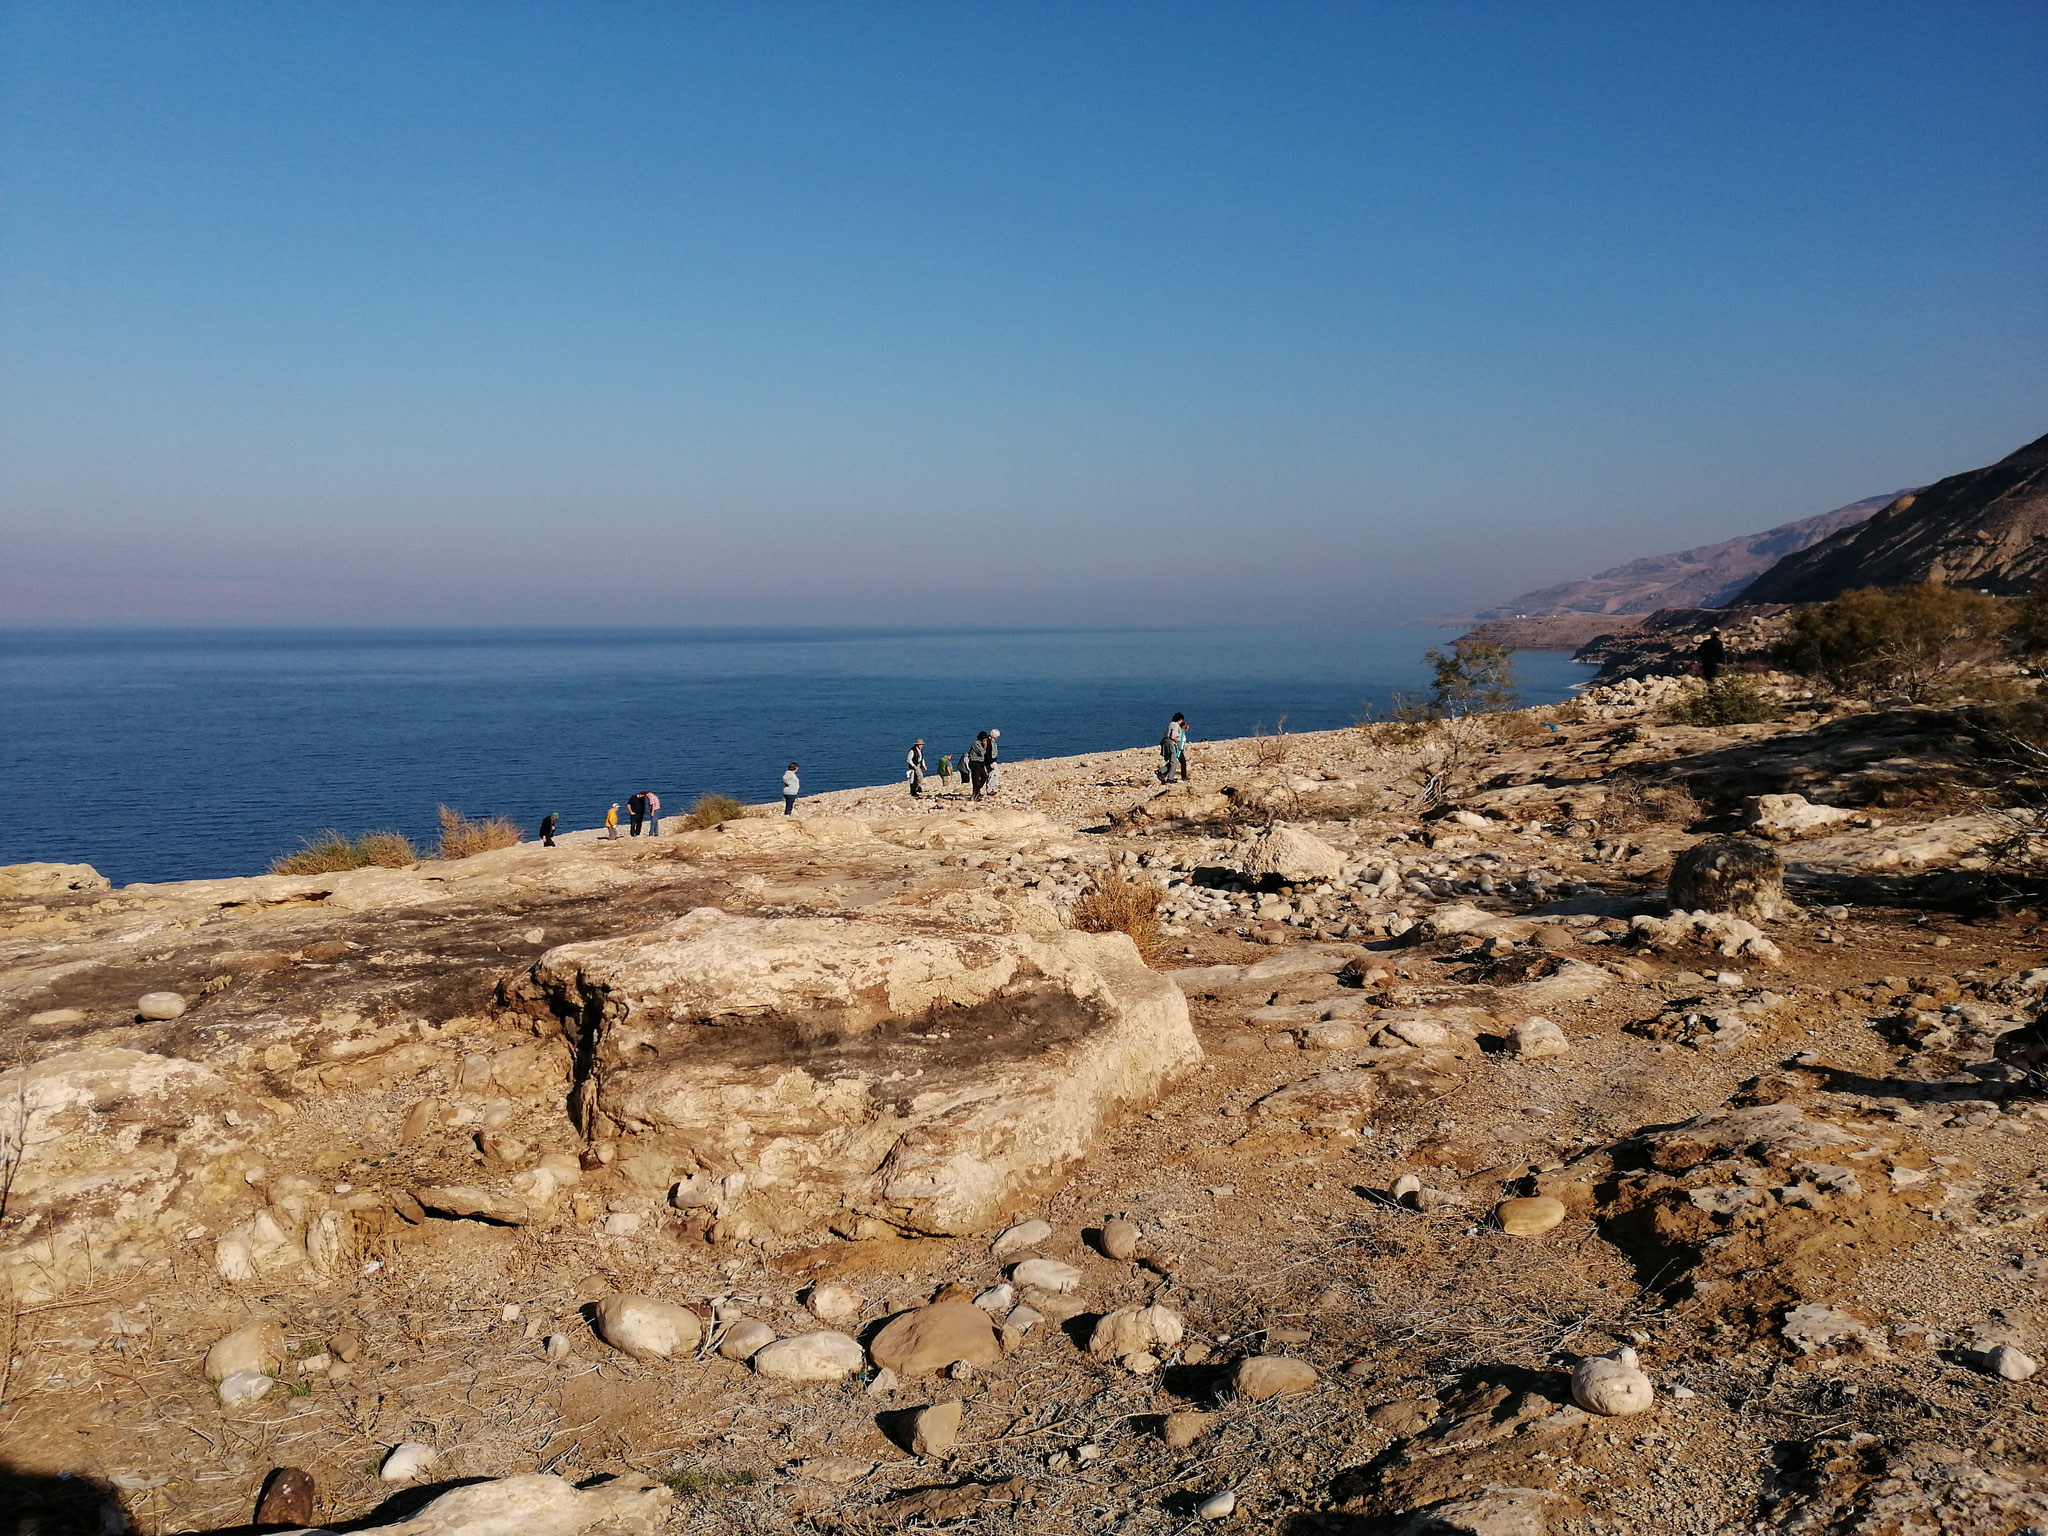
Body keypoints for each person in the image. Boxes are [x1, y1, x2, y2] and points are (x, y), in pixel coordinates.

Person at [1159, 712, 1190, 783]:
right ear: (1179, 719)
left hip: (1166, 742)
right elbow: (1173, 737)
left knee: (1173, 761)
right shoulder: (1175, 725)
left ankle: (1162, 772)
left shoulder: (1170, 724)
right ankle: (1170, 778)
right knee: (1174, 761)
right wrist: (1178, 740)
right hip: (1171, 743)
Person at [966, 731, 991, 800]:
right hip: (974, 762)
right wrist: (985, 746)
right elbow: (981, 753)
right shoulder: (976, 743)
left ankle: (977, 791)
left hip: (980, 763)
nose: (985, 739)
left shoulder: (981, 743)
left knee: (984, 777)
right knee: (976, 779)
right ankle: (975, 794)